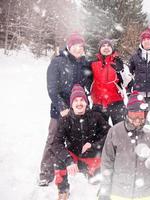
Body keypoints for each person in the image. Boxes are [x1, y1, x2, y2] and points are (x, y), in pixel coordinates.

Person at [39, 32, 91, 186]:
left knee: (79, 137)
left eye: (81, 46)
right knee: (54, 138)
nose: (78, 49)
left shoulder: (84, 63)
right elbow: (52, 88)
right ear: (69, 46)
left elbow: (88, 84)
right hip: (59, 110)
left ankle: (82, 167)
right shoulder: (58, 62)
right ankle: (45, 174)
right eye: (75, 46)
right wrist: (62, 107)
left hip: (78, 108)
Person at [98, 91, 150, 200]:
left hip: (148, 194)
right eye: (133, 113)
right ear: (127, 113)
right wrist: (104, 191)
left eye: (140, 113)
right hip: (120, 193)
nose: (137, 118)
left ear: (145, 113)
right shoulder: (115, 131)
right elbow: (107, 163)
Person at [52, 84, 110, 200]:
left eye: (82, 100)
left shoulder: (96, 116)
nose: (79, 103)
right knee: (58, 157)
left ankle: (94, 177)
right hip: (74, 158)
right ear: (71, 104)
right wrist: (68, 160)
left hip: (92, 156)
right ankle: (63, 190)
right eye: (75, 101)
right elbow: (56, 143)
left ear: (86, 103)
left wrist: (93, 146)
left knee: (96, 180)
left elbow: (110, 135)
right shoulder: (65, 120)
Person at [89, 39, 125, 125]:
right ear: (99, 49)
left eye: (108, 46)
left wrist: (121, 70)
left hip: (116, 102)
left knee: (120, 129)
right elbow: (87, 81)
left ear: (112, 49)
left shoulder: (117, 62)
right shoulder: (93, 63)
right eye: (103, 46)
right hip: (98, 103)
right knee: (99, 132)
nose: (106, 48)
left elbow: (126, 81)